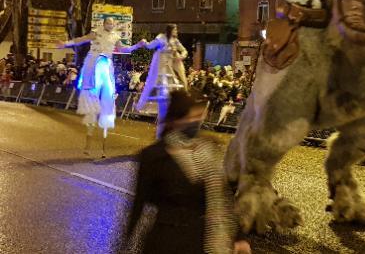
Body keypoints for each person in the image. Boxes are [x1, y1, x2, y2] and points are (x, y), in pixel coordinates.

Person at [124, 90, 250, 253]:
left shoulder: (208, 150)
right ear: (174, 121)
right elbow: (138, 203)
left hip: (199, 240)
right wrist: (125, 240)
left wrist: (239, 237)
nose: (195, 122)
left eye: (198, 117)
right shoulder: (154, 155)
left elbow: (223, 198)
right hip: (165, 240)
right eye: (190, 118)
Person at [58, 17, 145, 157]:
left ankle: (103, 148)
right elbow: (82, 39)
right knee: (92, 104)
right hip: (95, 66)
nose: (110, 25)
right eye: (107, 22)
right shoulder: (96, 33)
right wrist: (66, 44)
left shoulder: (115, 36)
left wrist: (138, 45)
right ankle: (88, 144)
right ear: (103, 24)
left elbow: (124, 49)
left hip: (107, 69)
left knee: (108, 103)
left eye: (112, 23)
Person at [137, 24, 190, 139]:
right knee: (163, 105)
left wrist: (181, 56)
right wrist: (144, 43)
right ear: (170, 30)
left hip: (170, 74)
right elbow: (150, 46)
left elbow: (184, 51)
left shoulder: (175, 41)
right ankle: (161, 134)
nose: (177, 31)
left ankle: (166, 132)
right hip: (160, 75)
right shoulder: (161, 38)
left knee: (170, 104)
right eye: (175, 29)